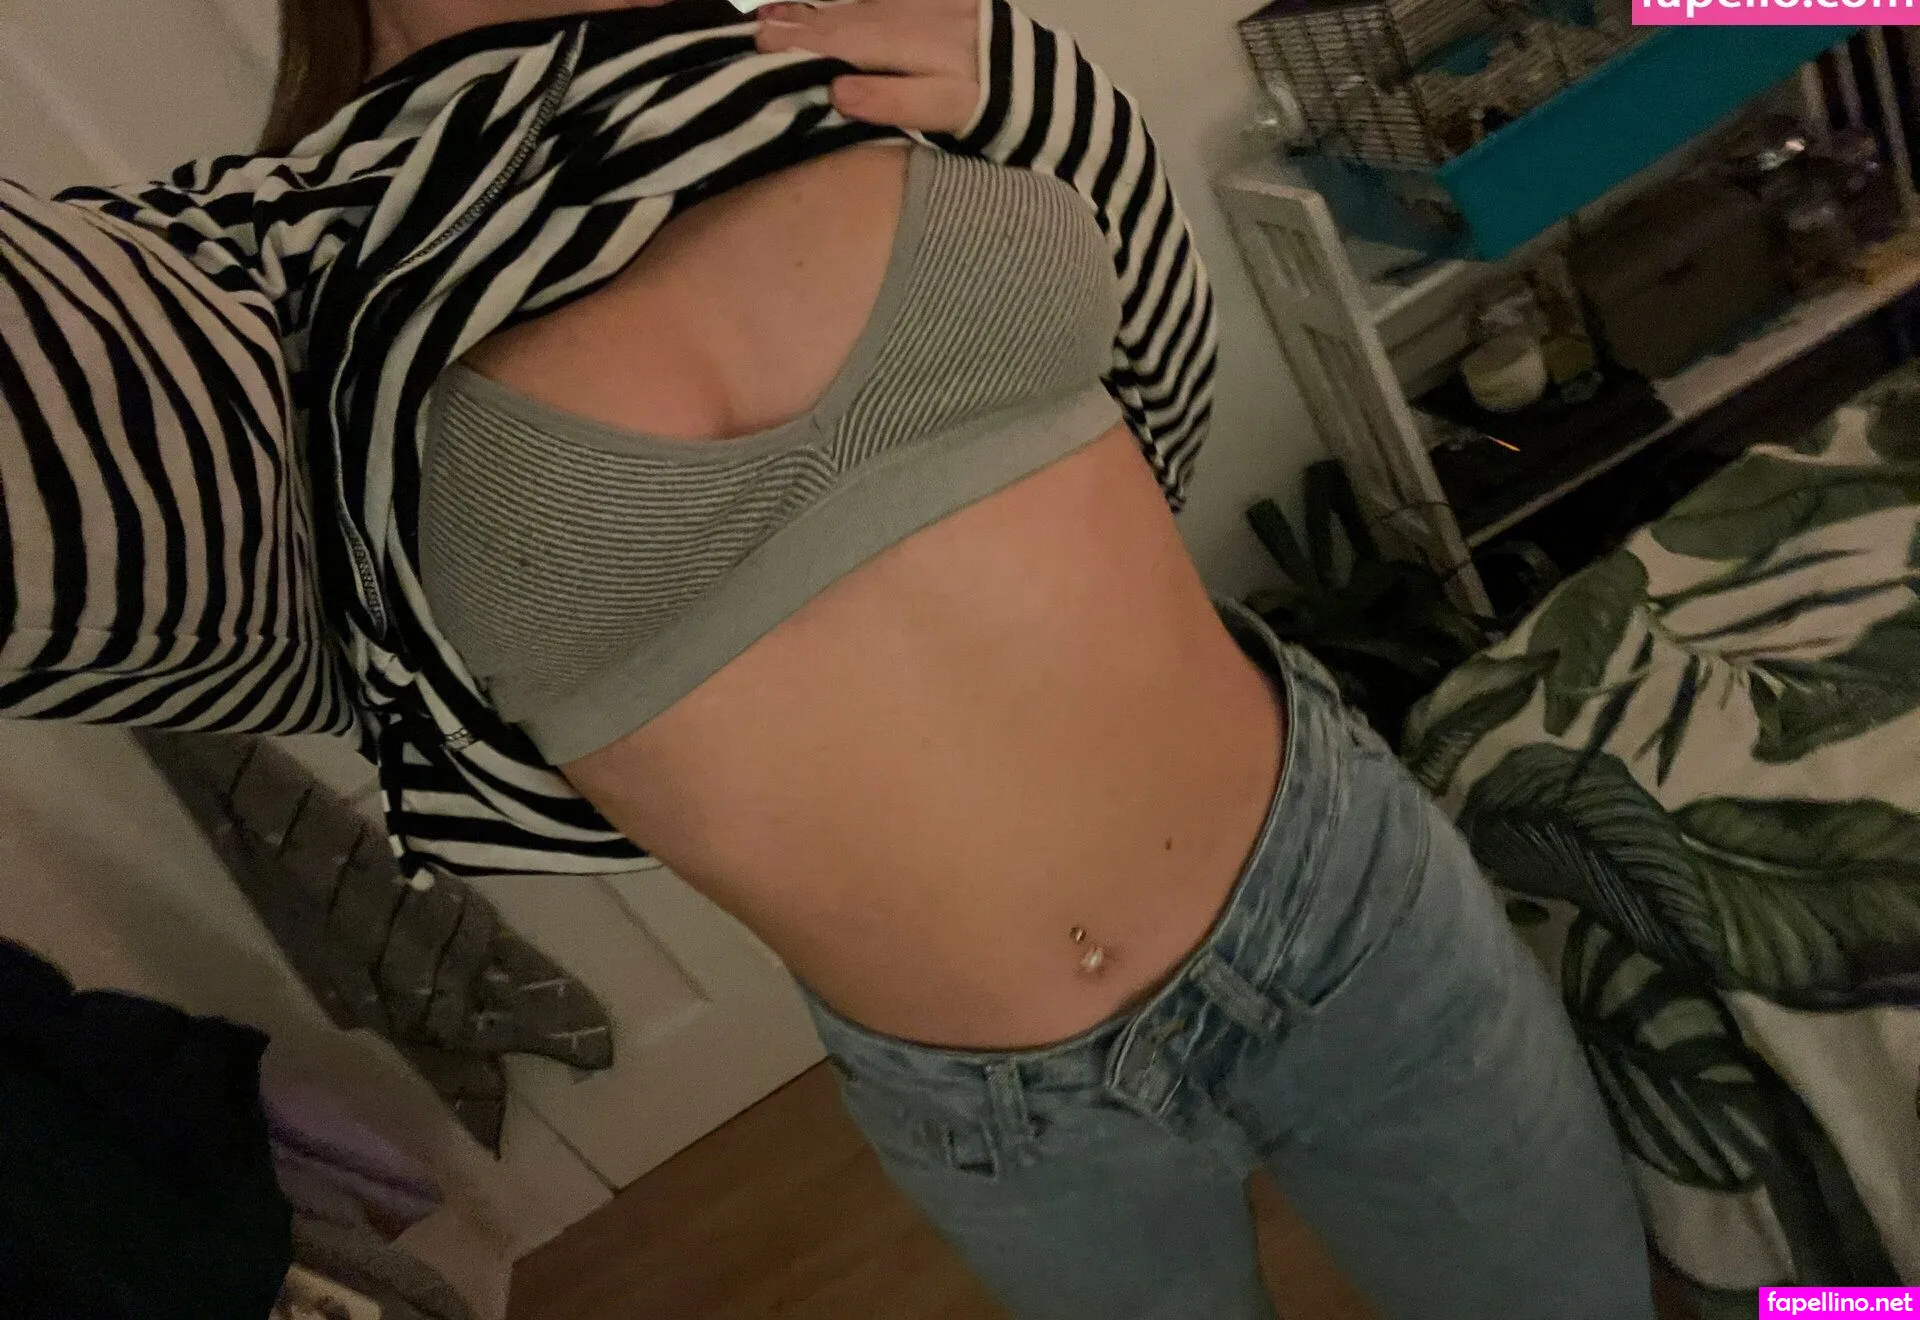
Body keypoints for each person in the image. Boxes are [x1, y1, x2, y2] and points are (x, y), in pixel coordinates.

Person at [0, 1, 1654, 1315]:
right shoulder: (246, 294)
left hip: (1350, 897)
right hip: (1010, 1117)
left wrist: (1038, 87)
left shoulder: (835, 37)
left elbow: (1147, 396)